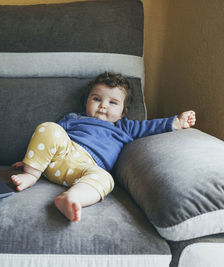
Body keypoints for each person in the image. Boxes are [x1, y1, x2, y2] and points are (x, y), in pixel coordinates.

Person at [11, 72, 196, 223]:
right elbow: (50, 139)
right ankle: (31, 174)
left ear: (123, 112)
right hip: (62, 154)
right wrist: (32, 161)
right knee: (49, 127)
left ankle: (72, 198)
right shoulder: (74, 118)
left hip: (85, 169)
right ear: (87, 102)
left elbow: (150, 127)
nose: (102, 106)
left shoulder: (125, 127)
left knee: (106, 179)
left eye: (112, 103)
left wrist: (177, 122)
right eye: (97, 99)